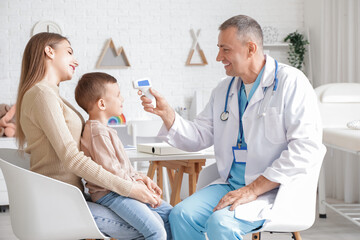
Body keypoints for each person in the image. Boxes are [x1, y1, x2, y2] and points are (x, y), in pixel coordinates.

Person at [139, 15, 326, 239]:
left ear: (250, 48)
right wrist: (167, 114)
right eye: (219, 49)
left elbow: (306, 148)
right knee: (180, 215)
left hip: (274, 189)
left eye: (225, 50)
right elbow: (198, 136)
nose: (219, 57)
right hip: (231, 185)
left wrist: (253, 189)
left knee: (222, 223)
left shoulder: (292, 82)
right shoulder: (224, 89)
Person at [15, 32, 160, 239]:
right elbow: (72, 158)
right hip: (58, 203)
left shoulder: (50, 95)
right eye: (69, 52)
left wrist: (136, 178)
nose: (75, 60)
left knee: (154, 217)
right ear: (49, 51)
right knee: (152, 226)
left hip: (70, 197)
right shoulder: (41, 94)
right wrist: (130, 188)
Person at [74, 72, 172, 240]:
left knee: (170, 215)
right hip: (112, 195)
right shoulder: (97, 132)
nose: (122, 99)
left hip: (121, 191)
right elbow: (112, 174)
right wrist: (137, 188)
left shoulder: (105, 130)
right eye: (118, 95)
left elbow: (122, 167)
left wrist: (141, 178)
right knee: (156, 231)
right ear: (102, 104)